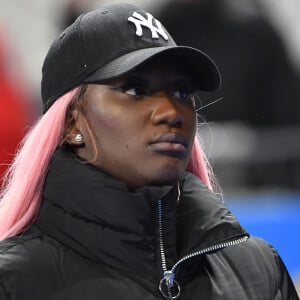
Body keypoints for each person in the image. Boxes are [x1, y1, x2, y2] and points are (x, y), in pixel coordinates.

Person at [0, 3, 298, 300]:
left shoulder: (258, 271)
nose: (171, 111)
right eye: (135, 90)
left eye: (183, 93)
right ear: (70, 123)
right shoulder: (13, 283)